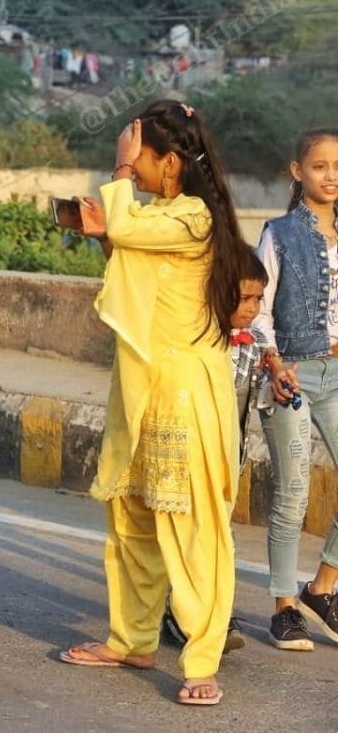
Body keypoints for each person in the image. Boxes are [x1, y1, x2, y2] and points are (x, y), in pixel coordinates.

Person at [59, 101, 245, 707]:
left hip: (185, 394)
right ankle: (132, 639)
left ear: (170, 162)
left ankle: (201, 659)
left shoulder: (194, 218)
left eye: (138, 160)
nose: (131, 171)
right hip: (141, 384)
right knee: (132, 518)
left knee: (193, 529)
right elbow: (126, 251)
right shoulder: (162, 214)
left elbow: (127, 229)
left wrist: (114, 177)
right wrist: (104, 226)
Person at [252, 127, 338, 651]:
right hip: (292, 375)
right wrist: (275, 363)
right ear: (297, 171)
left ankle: (323, 587)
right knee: (294, 492)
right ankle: (285, 606)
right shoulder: (279, 233)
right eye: (321, 166)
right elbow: (258, 308)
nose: (331, 176)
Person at [161, 246, 269, 654]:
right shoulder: (196, 339)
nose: (251, 308)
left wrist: (278, 381)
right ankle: (183, 614)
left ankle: (213, 611)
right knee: (187, 535)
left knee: (218, 535)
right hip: (189, 454)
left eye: (258, 299)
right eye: (243, 298)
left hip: (228, 458)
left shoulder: (255, 343)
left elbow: (252, 398)